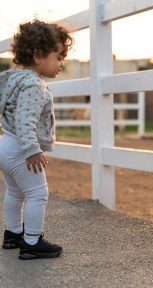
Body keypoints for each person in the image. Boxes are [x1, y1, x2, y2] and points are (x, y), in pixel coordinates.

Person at [0, 19, 73, 259]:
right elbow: (25, 119)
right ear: (39, 55)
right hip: (21, 149)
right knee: (37, 194)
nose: (62, 63)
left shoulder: (12, 78)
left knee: (15, 192)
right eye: (59, 57)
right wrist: (32, 149)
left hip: (6, 144)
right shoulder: (34, 85)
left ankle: (13, 234)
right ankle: (31, 242)